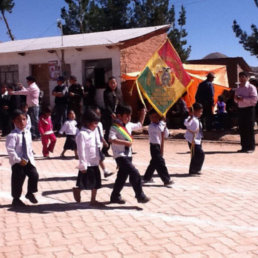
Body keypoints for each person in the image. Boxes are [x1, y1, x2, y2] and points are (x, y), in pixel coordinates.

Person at [109, 104, 150, 204]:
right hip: (120, 156)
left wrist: (143, 114)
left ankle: (115, 196)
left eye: (129, 116)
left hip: (128, 155)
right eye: (126, 116)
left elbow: (140, 124)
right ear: (119, 116)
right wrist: (125, 143)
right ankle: (140, 196)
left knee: (122, 177)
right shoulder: (115, 127)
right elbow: (111, 139)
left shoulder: (129, 125)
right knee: (135, 173)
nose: (128, 118)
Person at [6, 109, 39, 208]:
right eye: (19, 120)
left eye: (24, 119)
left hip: (27, 160)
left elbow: (29, 147)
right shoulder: (12, 135)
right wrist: (18, 160)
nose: (22, 122)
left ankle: (30, 192)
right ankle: (16, 200)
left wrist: (31, 159)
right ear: (14, 122)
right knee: (18, 181)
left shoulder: (27, 133)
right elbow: (10, 150)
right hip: (18, 162)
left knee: (34, 175)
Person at [72, 108, 102, 205]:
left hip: (94, 161)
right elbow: (81, 151)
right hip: (87, 163)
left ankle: (93, 200)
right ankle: (78, 190)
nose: (96, 126)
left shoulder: (93, 132)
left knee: (96, 182)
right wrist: (83, 164)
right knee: (86, 182)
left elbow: (97, 144)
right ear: (88, 123)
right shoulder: (82, 134)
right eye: (95, 123)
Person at [142, 109, 173, 186]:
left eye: (156, 116)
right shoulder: (151, 126)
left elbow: (166, 135)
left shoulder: (161, 125)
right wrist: (163, 122)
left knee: (154, 163)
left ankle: (147, 177)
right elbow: (158, 129)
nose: (154, 118)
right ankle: (166, 179)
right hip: (154, 147)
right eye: (152, 117)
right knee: (160, 163)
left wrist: (165, 126)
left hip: (158, 146)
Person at [234, 72, 258, 153]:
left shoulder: (251, 87)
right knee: (242, 128)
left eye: (243, 77)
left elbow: (254, 100)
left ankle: (251, 147)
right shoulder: (238, 88)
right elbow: (235, 100)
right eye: (240, 77)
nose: (241, 78)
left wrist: (243, 99)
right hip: (241, 109)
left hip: (249, 109)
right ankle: (244, 147)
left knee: (249, 128)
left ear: (247, 78)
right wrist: (236, 99)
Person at [91, 106, 113, 178]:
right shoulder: (90, 124)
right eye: (96, 114)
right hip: (92, 145)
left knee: (97, 159)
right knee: (99, 158)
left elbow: (100, 134)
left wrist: (104, 142)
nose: (98, 115)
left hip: (98, 144)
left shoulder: (100, 124)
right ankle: (105, 171)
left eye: (99, 114)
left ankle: (104, 171)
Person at [103, 76, 123, 157]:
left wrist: (122, 114)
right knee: (108, 133)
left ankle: (124, 148)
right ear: (108, 84)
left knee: (121, 132)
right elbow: (106, 105)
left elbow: (121, 103)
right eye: (111, 83)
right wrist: (111, 113)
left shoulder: (119, 92)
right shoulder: (106, 93)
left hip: (118, 115)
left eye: (114, 83)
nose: (113, 84)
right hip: (109, 116)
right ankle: (105, 150)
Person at [184, 103, 205, 175]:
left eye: (201, 111)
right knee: (200, 154)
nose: (201, 113)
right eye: (200, 111)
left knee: (197, 155)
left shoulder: (197, 119)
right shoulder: (191, 119)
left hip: (198, 139)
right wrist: (191, 116)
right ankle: (193, 169)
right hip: (192, 139)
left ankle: (196, 169)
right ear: (195, 111)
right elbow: (186, 123)